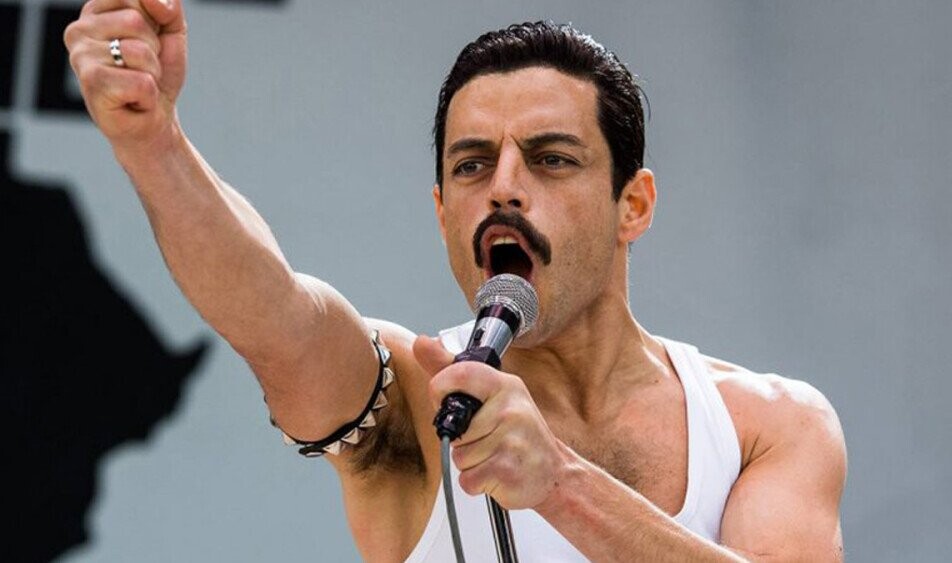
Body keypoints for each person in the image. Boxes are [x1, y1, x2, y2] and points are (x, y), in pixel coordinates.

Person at [64, 1, 847, 561]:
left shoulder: (766, 425)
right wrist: (153, 143)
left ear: (632, 205)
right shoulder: (412, 399)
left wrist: (560, 484)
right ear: (442, 212)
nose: (503, 187)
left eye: (550, 158)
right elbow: (276, 315)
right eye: (472, 165)